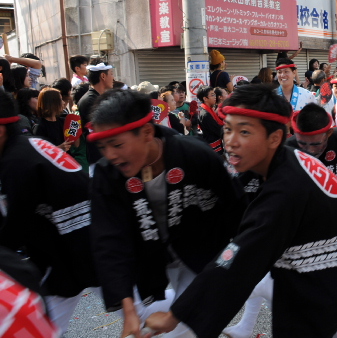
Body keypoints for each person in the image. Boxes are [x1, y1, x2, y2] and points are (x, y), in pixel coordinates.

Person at [144, 84, 337, 338]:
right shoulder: (282, 158)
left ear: (274, 138)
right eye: (228, 129)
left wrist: (176, 315)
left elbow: (239, 258)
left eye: (244, 131)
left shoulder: (285, 189)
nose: (231, 141)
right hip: (323, 280)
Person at [88, 89, 244, 338]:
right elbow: (108, 239)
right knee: (151, 318)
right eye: (103, 146)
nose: (110, 155)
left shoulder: (196, 156)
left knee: (187, 326)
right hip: (150, 255)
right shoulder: (107, 175)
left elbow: (237, 213)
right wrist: (128, 307)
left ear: (147, 132)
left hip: (201, 252)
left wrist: (229, 268)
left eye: (117, 145)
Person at [0, 89, 98, 334]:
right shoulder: (28, 146)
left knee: (142, 311)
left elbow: (17, 224)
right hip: (82, 238)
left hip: (77, 245)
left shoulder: (16, 161)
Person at [286, 103, 337, 193]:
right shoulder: (286, 150)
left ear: (329, 133)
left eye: (316, 144)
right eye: (302, 143)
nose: (310, 150)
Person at [77, 62, 114, 169]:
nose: (113, 78)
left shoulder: (99, 97)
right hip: (98, 158)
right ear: (103, 76)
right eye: (111, 74)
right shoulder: (90, 100)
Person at [196, 85, 224, 152]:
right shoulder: (205, 114)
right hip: (212, 147)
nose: (215, 97)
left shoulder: (207, 110)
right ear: (205, 98)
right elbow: (217, 130)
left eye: (214, 94)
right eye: (212, 95)